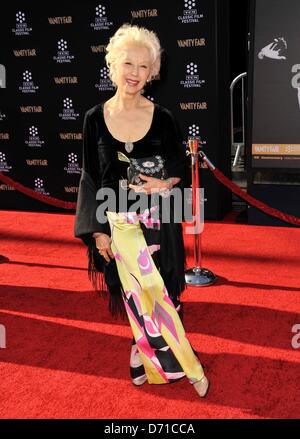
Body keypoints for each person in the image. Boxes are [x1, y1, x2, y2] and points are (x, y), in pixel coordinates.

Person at [74, 24, 209, 398]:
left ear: (153, 74)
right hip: (116, 221)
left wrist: (166, 184)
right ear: (113, 66)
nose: (135, 73)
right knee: (133, 292)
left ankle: (169, 346)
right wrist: (97, 229)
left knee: (164, 288)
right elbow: (89, 175)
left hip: (160, 218)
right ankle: (142, 345)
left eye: (144, 66)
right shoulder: (93, 118)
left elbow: (180, 168)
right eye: (128, 63)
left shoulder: (163, 117)